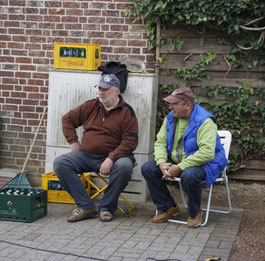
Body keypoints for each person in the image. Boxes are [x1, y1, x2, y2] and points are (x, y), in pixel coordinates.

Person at [53, 74, 138, 223]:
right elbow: (67, 119)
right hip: (86, 155)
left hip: (115, 158)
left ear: (117, 91)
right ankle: (85, 206)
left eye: (106, 89)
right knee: (61, 163)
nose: (101, 92)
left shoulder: (127, 112)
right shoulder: (90, 105)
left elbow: (130, 141)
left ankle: (106, 208)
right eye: (99, 88)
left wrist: (111, 158)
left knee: (125, 166)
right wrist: (74, 142)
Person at [141, 87, 227, 228]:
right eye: (170, 103)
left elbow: (207, 153)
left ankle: (194, 212)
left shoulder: (205, 120)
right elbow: (160, 142)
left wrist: (180, 167)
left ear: (187, 104)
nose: (171, 107)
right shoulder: (170, 118)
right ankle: (169, 208)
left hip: (207, 163)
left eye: (175, 103)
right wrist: (162, 163)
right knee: (148, 168)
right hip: (178, 161)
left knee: (189, 175)